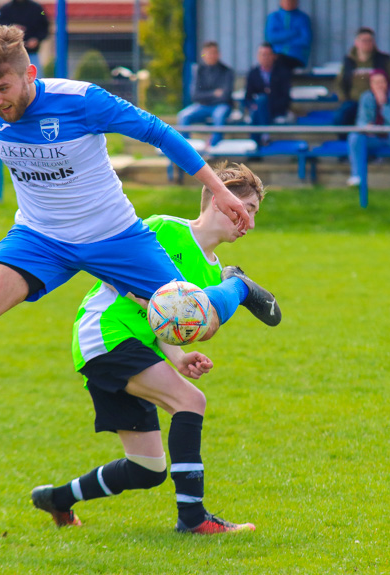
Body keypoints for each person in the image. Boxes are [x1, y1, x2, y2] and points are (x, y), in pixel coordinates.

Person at [0, 25, 281, 481]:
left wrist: (221, 193)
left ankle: (236, 285)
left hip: (113, 236)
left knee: (195, 324)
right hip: (39, 238)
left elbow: (159, 133)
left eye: (4, 89)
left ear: (29, 74)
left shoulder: (82, 100)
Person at [32, 163, 265, 535]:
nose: (249, 222)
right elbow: (110, 264)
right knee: (191, 401)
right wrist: (141, 296)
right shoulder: (164, 228)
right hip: (105, 332)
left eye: (254, 214)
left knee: (147, 469)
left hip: (134, 346)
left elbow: (165, 326)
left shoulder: (209, 273)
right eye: (247, 209)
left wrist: (179, 355)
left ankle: (58, 498)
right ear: (218, 200)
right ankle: (193, 518)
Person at [348, 70, 390, 190]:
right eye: (375, 82)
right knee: (355, 136)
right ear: (371, 84)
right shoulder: (366, 97)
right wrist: (367, 127)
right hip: (374, 137)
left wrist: (383, 105)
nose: (379, 85)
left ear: (387, 83)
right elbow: (361, 121)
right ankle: (357, 176)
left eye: (382, 82)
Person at [334, 27, 390, 127]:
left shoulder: (383, 59)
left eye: (370, 40)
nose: (367, 43)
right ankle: (345, 141)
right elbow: (340, 83)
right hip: (354, 102)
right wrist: (344, 98)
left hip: (378, 101)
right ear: (356, 42)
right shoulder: (348, 61)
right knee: (340, 117)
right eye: (364, 40)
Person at [177, 41, 235, 147]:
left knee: (219, 115)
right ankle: (186, 149)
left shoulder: (227, 71)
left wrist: (206, 96)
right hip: (203, 106)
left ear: (218, 54)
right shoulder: (199, 70)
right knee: (183, 115)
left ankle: (213, 148)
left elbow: (225, 96)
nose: (211, 55)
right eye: (209, 53)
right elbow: (194, 95)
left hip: (221, 106)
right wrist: (214, 93)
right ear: (203, 55)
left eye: (214, 52)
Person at [244, 42, 292, 146]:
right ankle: (264, 136)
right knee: (259, 106)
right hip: (258, 109)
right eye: (262, 54)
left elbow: (285, 98)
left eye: (267, 54)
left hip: (276, 109)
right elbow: (247, 97)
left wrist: (266, 101)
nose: (265, 57)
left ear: (273, 56)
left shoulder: (282, 73)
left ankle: (255, 146)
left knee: (261, 103)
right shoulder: (253, 73)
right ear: (258, 57)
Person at [0, 0, 50, 75]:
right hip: (10, 55)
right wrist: (11, 28)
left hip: (31, 53)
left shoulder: (37, 8)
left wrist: (37, 39)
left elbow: (44, 25)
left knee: (34, 77)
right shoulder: (5, 9)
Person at [264, 0, 312, 70]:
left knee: (281, 63)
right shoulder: (274, 17)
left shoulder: (303, 18)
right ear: (280, 2)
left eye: (291, 1)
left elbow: (305, 40)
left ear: (296, 2)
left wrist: (281, 41)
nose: (288, 3)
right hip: (276, 56)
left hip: (296, 56)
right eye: (286, 1)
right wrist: (294, 32)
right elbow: (270, 38)